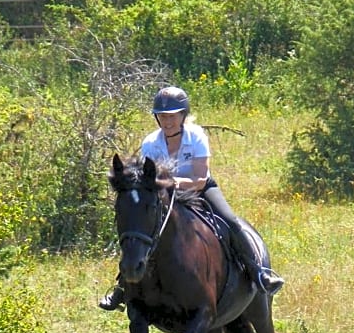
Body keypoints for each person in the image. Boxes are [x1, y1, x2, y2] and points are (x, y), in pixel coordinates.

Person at [99, 86, 284, 310]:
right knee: (140, 230)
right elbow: (148, 179)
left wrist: (173, 183)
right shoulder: (151, 143)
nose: (167, 122)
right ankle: (121, 286)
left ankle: (258, 273)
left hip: (201, 190)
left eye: (172, 116)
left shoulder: (196, 137)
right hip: (167, 196)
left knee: (231, 221)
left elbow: (199, 178)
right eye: (162, 117)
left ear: (182, 115)